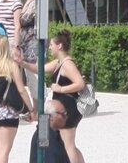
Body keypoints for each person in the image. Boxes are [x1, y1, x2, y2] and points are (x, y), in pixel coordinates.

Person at [43, 31, 87, 163]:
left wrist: (61, 89)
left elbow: (80, 83)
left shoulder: (67, 64)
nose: (49, 47)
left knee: (67, 145)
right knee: (68, 144)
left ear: (59, 46)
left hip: (68, 108)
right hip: (64, 107)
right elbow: (39, 68)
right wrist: (22, 62)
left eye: (51, 44)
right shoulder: (59, 62)